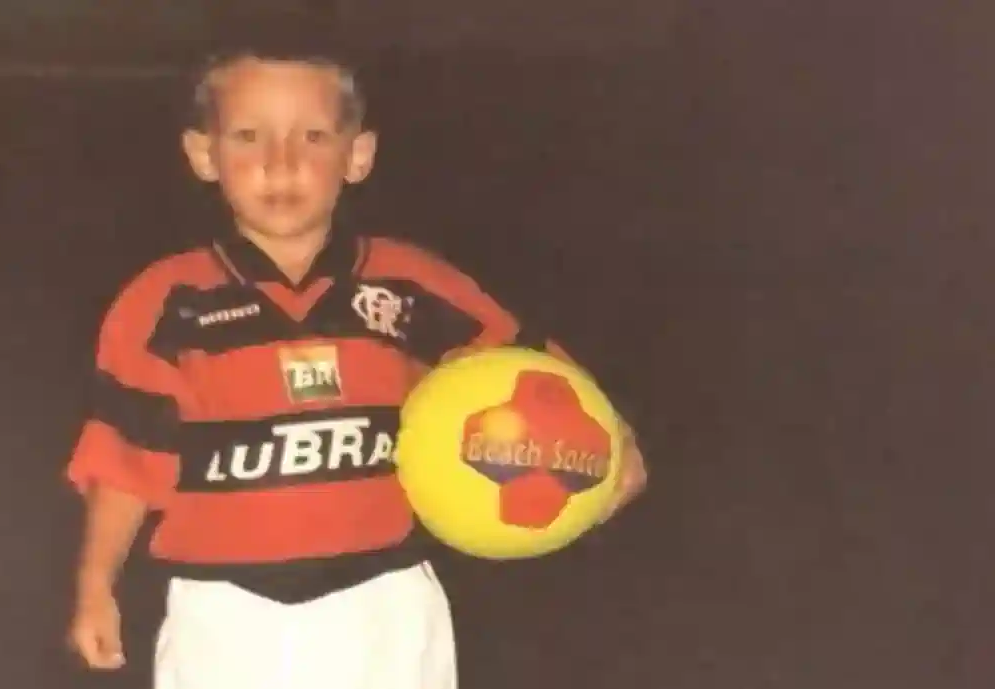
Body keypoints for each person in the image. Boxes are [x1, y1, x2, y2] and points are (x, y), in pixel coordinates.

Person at [63, 35, 648, 689]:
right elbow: (124, 459)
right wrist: (95, 584)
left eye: (312, 137)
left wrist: (611, 442)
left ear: (358, 154)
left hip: (386, 605)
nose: (280, 164)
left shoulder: (411, 285)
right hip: (226, 614)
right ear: (204, 154)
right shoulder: (165, 302)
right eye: (249, 136)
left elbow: (532, 373)